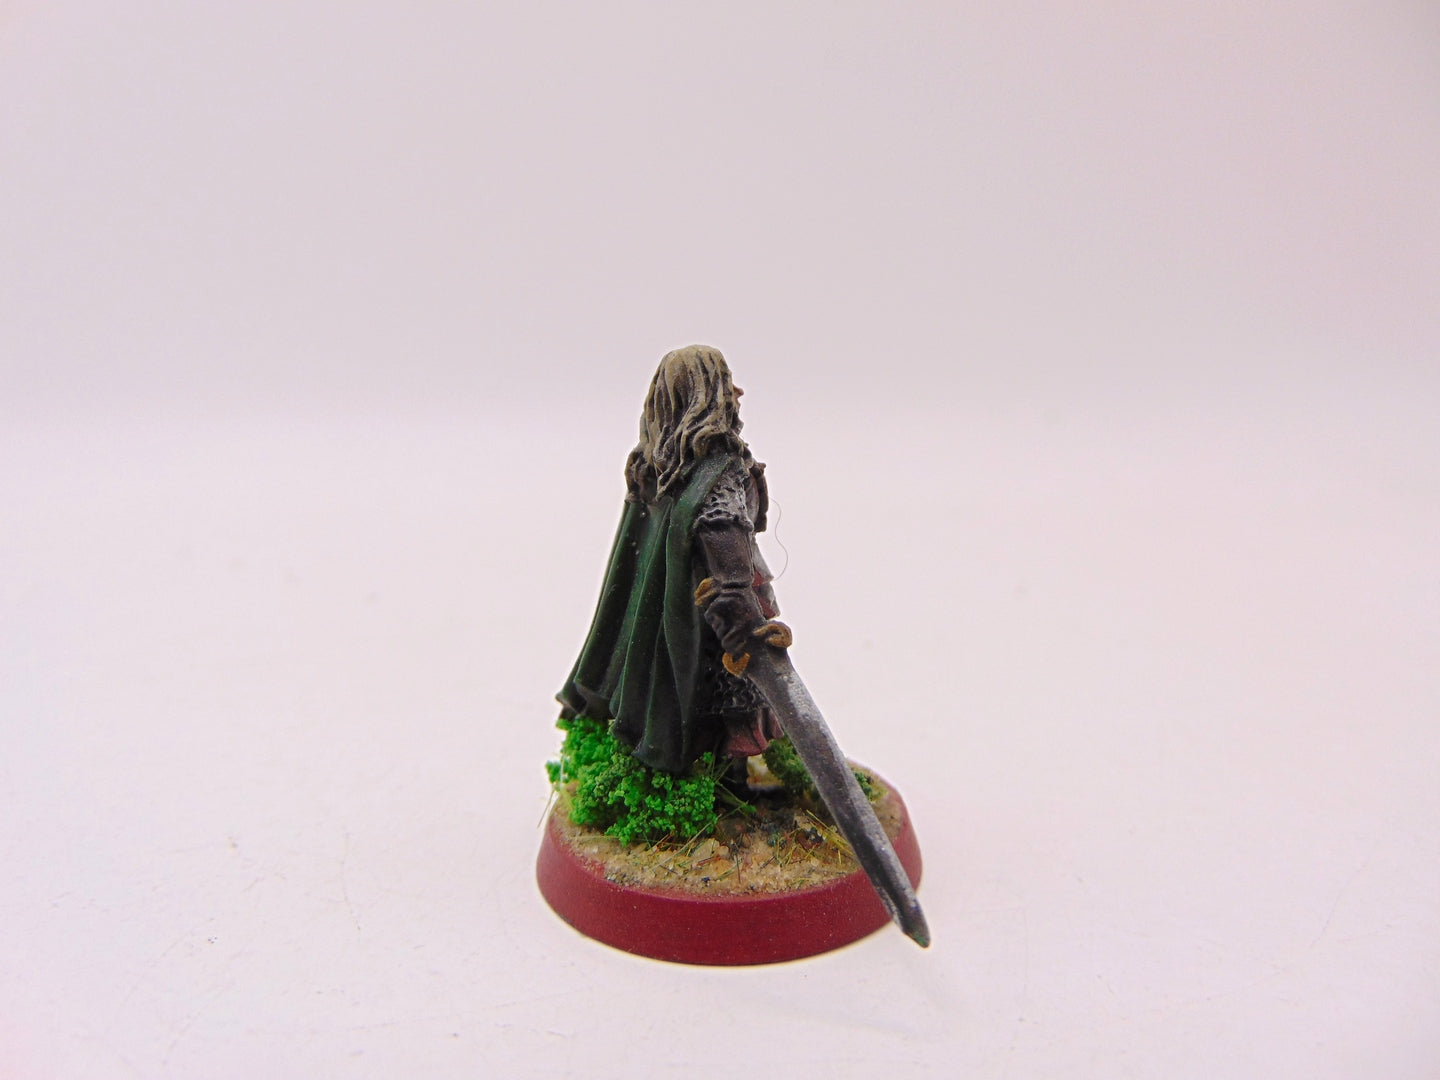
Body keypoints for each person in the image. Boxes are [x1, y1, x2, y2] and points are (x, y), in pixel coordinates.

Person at [557, 345, 791, 781]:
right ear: (705, 395)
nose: (737, 393)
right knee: (729, 696)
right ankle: (729, 787)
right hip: (709, 620)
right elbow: (726, 556)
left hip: (682, 610)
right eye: (725, 383)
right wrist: (744, 629)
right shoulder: (717, 473)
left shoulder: (659, 464)